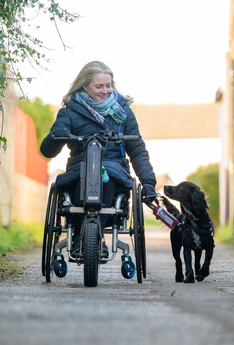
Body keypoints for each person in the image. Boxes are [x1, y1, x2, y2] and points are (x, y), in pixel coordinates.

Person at [40, 60, 157, 257]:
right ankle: (80, 236)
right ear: (85, 86)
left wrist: (148, 181)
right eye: (99, 86)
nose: (105, 91)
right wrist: (57, 134)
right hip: (80, 166)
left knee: (108, 176)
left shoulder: (123, 112)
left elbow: (137, 149)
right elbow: (47, 151)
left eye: (108, 85)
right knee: (82, 176)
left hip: (114, 166)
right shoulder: (69, 112)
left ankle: (94, 236)